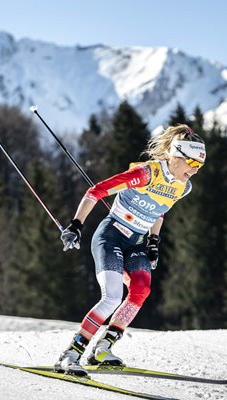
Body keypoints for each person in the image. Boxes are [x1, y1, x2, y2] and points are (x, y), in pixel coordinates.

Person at [55, 124, 206, 376]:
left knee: (141, 290)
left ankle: (103, 348)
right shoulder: (146, 174)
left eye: (199, 166)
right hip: (111, 236)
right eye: (192, 163)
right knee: (112, 297)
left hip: (136, 243)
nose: (195, 170)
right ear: (176, 156)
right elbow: (96, 191)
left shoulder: (183, 186)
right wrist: (76, 225)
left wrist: (153, 241)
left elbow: (160, 211)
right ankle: (70, 354)